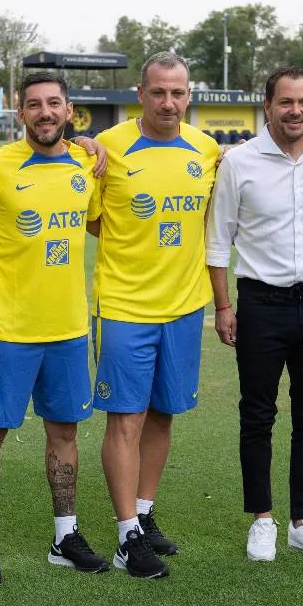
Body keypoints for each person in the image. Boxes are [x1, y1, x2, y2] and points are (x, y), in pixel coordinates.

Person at [206, 66, 303, 562]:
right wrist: (224, 307)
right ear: (268, 105)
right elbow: (217, 240)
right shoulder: (240, 162)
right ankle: (262, 519)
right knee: (257, 414)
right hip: (260, 305)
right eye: (286, 102)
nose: (296, 111)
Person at [0, 71, 108, 586]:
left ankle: (64, 536)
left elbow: (96, 221)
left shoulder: (86, 165)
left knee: (65, 432)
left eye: (54, 103)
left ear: (69, 110)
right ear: (20, 112)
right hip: (8, 328)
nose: (45, 112)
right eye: (34, 105)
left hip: (68, 326)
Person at [89, 51, 219, 579]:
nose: (169, 102)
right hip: (125, 307)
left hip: (185, 307)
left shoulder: (208, 151)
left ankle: (143, 516)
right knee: (126, 419)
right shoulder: (106, 149)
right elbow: (96, 221)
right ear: (140, 94)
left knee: (163, 413)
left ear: (190, 96)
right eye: (159, 92)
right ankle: (125, 538)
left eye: (179, 93)